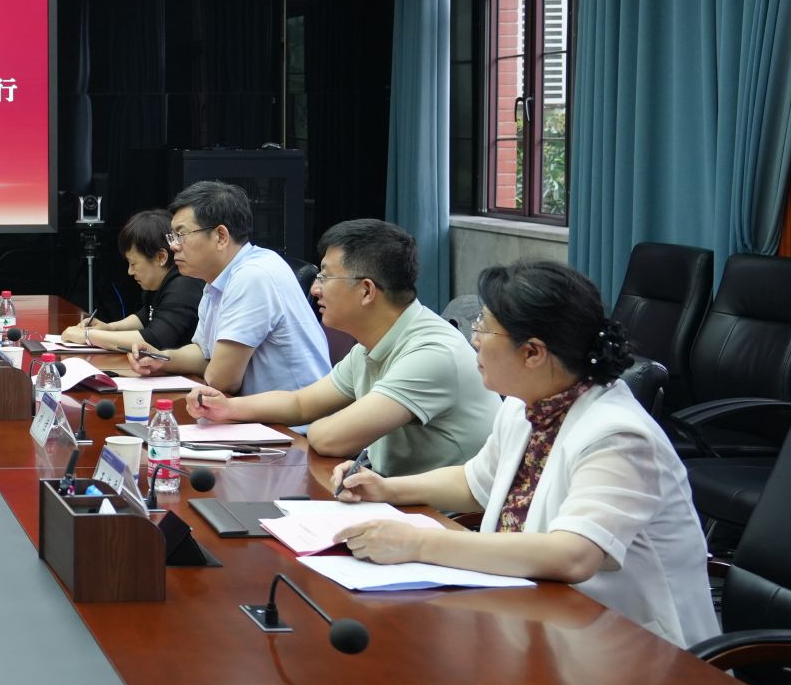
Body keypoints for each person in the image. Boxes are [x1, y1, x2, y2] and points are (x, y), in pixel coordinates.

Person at [332, 259, 715, 648]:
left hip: (630, 646)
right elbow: (474, 482)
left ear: (532, 352)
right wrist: (387, 489)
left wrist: (417, 543)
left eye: (484, 327)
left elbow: (573, 555)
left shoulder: (618, 435)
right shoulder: (526, 404)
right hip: (532, 615)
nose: (474, 339)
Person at [184, 219, 496, 475]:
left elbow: (329, 439)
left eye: (325, 277)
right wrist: (228, 408)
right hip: (393, 497)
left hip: (442, 517)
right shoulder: (370, 346)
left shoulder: (431, 353)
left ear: (366, 291)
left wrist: (325, 426)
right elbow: (300, 404)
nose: (314, 288)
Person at [129, 181, 330, 394]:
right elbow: (204, 353)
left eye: (181, 235)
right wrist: (161, 358)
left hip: (296, 414)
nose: (173, 245)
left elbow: (222, 380)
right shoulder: (218, 278)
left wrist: (210, 368)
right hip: (253, 409)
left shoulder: (253, 275)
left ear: (221, 237)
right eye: (173, 236)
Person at [59, 209, 202, 353]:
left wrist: (88, 336)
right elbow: (146, 316)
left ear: (161, 257)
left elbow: (154, 339)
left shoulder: (183, 286)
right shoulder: (158, 283)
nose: (130, 271)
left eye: (133, 263)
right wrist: (109, 328)